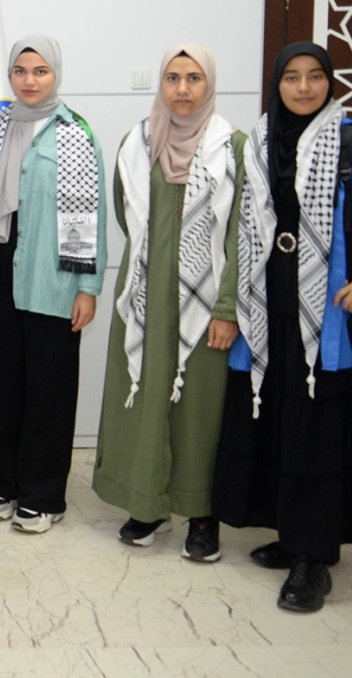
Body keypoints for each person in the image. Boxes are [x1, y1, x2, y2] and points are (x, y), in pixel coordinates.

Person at [216, 42, 352, 612]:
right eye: (292, 78)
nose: (303, 88)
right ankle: (291, 531)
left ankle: (313, 559)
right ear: (276, 84)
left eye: (315, 77)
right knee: (276, 419)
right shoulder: (259, 144)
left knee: (317, 431)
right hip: (267, 304)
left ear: (330, 83)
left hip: (327, 316)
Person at [0, 35, 107, 534]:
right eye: (20, 71)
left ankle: (44, 496)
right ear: (10, 76)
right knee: (2, 388)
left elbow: (95, 216)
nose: (30, 80)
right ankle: (7, 484)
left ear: (55, 74)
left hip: (53, 276)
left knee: (49, 390)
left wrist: (88, 287)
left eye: (40, 71)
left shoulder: (77, 133)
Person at [93, 44, 245, 560]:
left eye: (194, 78)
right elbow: (126, 213)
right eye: (173, 78)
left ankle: (202, 514)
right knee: (144, 396)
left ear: (210, 84)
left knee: (200, 407)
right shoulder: (137, 143)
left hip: (207, 300)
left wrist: (226, 309)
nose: (182, 89)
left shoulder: (233, 147)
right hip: (146, 294)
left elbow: (242, 236)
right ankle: (148, 502)